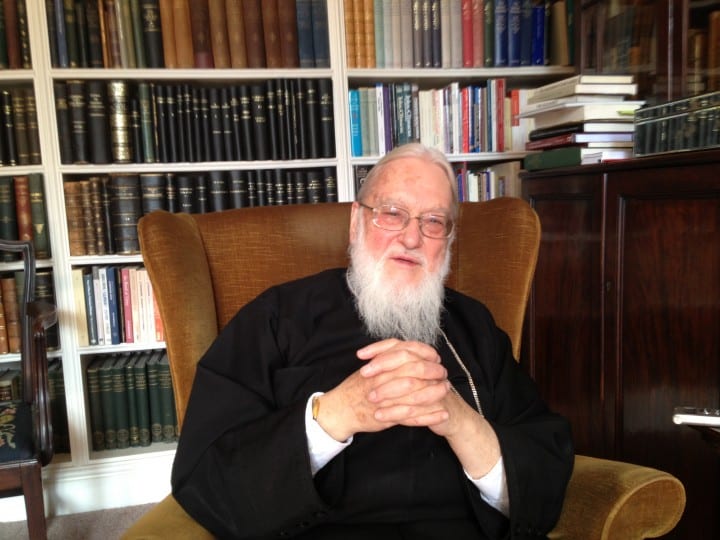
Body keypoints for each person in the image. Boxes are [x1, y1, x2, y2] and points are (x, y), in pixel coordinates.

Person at [171, 143, 574, 539]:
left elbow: (545, 477)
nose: (412, 238)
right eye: (392, 214)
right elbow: (204, 479)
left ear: (448, 241)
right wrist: (333, 416)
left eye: (433, 221)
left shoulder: (475, 326)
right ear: (356, 222)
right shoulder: (277, 317)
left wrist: (459, 420)